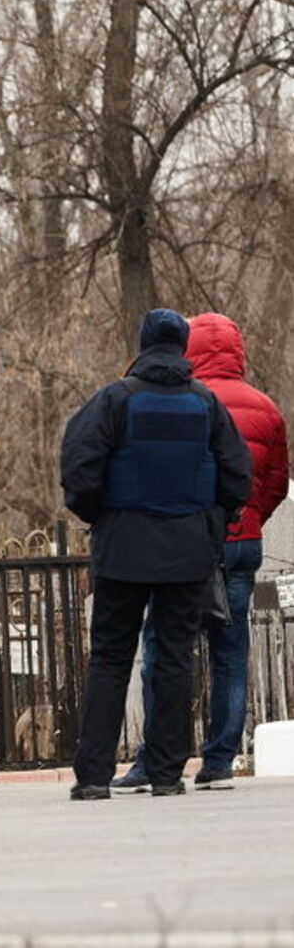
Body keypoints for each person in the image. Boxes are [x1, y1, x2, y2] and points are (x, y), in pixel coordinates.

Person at [61, 308, 251, 799]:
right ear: (184, 347)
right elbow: (237, 477)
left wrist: (100, 516)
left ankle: (95, 777)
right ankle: (168, 774)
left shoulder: (114, 400)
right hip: (188, 549)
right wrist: (213, 521)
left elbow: (80, 466)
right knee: (175, 659)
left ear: (143, 344)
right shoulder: (206, 404)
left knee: (110, 657)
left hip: (123, 547)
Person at [113, 313, 288, 791]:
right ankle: (218, 762)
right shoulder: (266, 408)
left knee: (164, 648)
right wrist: (249, 520)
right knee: (231, 650)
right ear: (238, 351)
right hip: (242, 543)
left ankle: (155, 757)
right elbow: (273, 482)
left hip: (185, 542)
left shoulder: (179, 401)